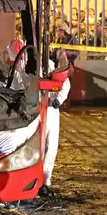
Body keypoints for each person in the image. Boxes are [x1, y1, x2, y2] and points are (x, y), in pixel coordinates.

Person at [41, 55, 71, 197]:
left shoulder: (51, 68)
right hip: (38, 109)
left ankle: (46, 178)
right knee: (39, 145)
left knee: (51, 144)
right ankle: (37, 177)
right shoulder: (32, 68)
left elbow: (65, 84)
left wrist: (58, 100)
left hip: (51, 109)